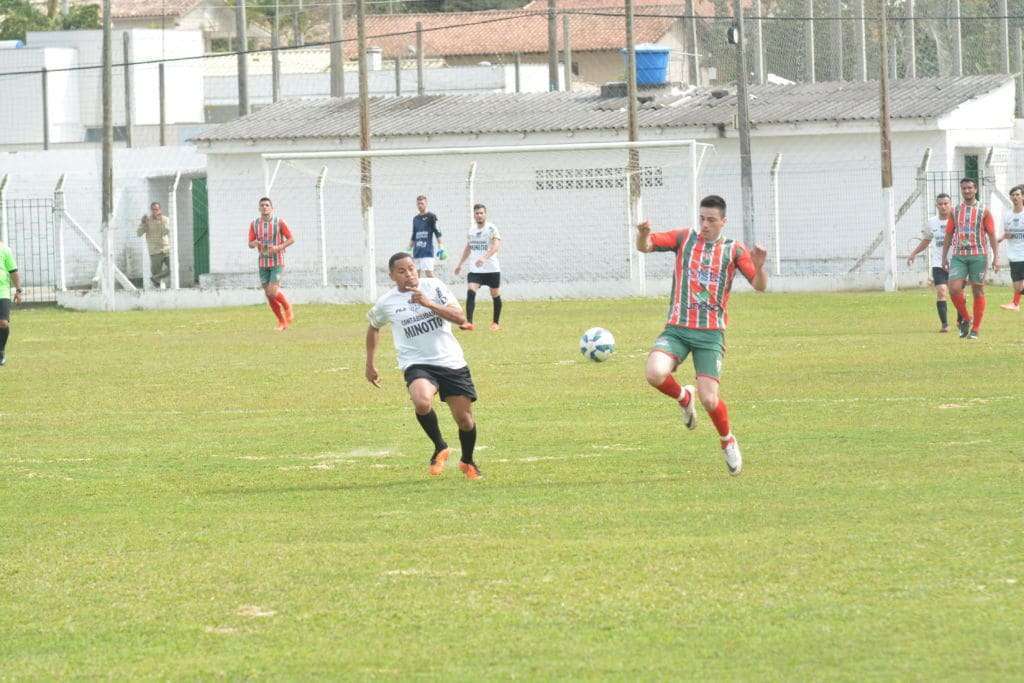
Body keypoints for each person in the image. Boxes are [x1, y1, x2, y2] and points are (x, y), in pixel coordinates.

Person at [637, 195, 768, 476]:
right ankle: (684, 397)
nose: (705, 224)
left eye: (711, 220)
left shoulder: (734, 250)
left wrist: (759, 266)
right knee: (654, 373)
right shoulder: (684, 239)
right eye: (702, 218)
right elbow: (646, 247)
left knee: (710, 400)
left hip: (710, 335)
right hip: (678, 329)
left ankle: (727, 440)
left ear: (723, 221)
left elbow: (759, 286)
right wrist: (643, 234)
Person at [365, 252, 482, 480]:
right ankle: (440, 446)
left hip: (451, 361)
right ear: (392, 276)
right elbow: (373, 326)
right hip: (417, 363)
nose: (409, 274)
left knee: (465, 421)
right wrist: (370, 364)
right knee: (421, 401)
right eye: (402, 271)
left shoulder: (433, 286)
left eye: (411, 268)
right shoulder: (387, 302)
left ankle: (467, 461)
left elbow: (460, 317)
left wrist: (429, 304)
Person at [941, 177, 1000, 339]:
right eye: (964, 188)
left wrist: (996, 257)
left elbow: (992, 235)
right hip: (959, 256)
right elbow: (948, 234)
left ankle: (975, 329)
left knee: (977, 290)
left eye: (969, 188)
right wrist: (944, 256)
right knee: (953, 288)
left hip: (979, 256)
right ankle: (967, 318)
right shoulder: (955, 211)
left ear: (975, 190)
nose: (967, 191)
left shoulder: (984, 211)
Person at [906, 193, 959, 332]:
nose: (943, 206)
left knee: (957, 293)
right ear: (936, 205)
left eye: (946, 203)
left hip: (957, 262)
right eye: (940, 204)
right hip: (938, 263)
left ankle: (962, 319)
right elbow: (927, 240)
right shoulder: (932, 222)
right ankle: (945, 324)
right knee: (942, 291)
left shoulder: (957, 220)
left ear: (950, 204)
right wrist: (913, 253)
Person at [247, 197, 295, 331]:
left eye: (267, 205)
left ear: (272, 208)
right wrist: (254, 243)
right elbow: (250, 243)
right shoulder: (254, 224)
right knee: (268, 294)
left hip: (277, 261)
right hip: (263, 262)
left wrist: (279, 247)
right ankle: (282, 322)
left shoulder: (279, 222)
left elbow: (291, 239)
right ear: (259, 208)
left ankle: (287, 307)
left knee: (273, 292)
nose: (264, 207)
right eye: (262, 205)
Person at [454, 203, 502, 331]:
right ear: (474, 215)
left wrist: (484, 258)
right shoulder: (472, 230)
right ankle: (469, 322)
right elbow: (468, 248)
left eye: (481, 213)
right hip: (476, 270)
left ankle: (496, 323)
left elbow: (496, 246)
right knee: (471, 290)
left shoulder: (492, 228)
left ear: (485, 214)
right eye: (477, 213)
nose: (479, 215)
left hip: (491, 269)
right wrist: (460, 264)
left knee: (495, 294)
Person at [999, 184, 1024, 311]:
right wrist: (1001, 238)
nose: (1015, 197)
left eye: (1018, 195)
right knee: (1017, 285)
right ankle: (1015, 304)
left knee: (1019, 285)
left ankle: (1015, 304)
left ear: (1023, 197)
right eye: (1013, 195)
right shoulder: (1007, 215)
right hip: (1013, 254)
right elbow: (1007, 233)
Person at [407, 195, 443, 277]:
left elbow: (437, 232)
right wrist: (408, 249)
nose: (420, 205)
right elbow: (414, 235)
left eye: (422, 203)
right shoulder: (415, 218)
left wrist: (441, 248)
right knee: (416, 275)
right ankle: (417, 290)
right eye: (418, 204)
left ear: (426, 203)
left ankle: (438, 290)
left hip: (427, 252)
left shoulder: (432, 217)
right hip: (417, 252)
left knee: (429, 274)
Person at [137, 202, 171, 288]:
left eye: (156, 209)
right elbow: (139, 233)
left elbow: (166, 231)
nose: (155, 211)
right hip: (155, 251)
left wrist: (160, 221)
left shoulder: (165, 219)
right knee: (157, 281)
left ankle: (155, 278)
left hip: (166, 249)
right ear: (151, 210)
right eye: (153, 209)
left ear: (160, 210)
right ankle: (158, 292)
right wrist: (143, 223)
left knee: (173, 268)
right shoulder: (147, 221)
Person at [0, 240, 22, 366]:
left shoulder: (5, 250)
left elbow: (13, 271)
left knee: (3, 323)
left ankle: (1, 350)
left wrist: (18, 291)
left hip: (2, 292)